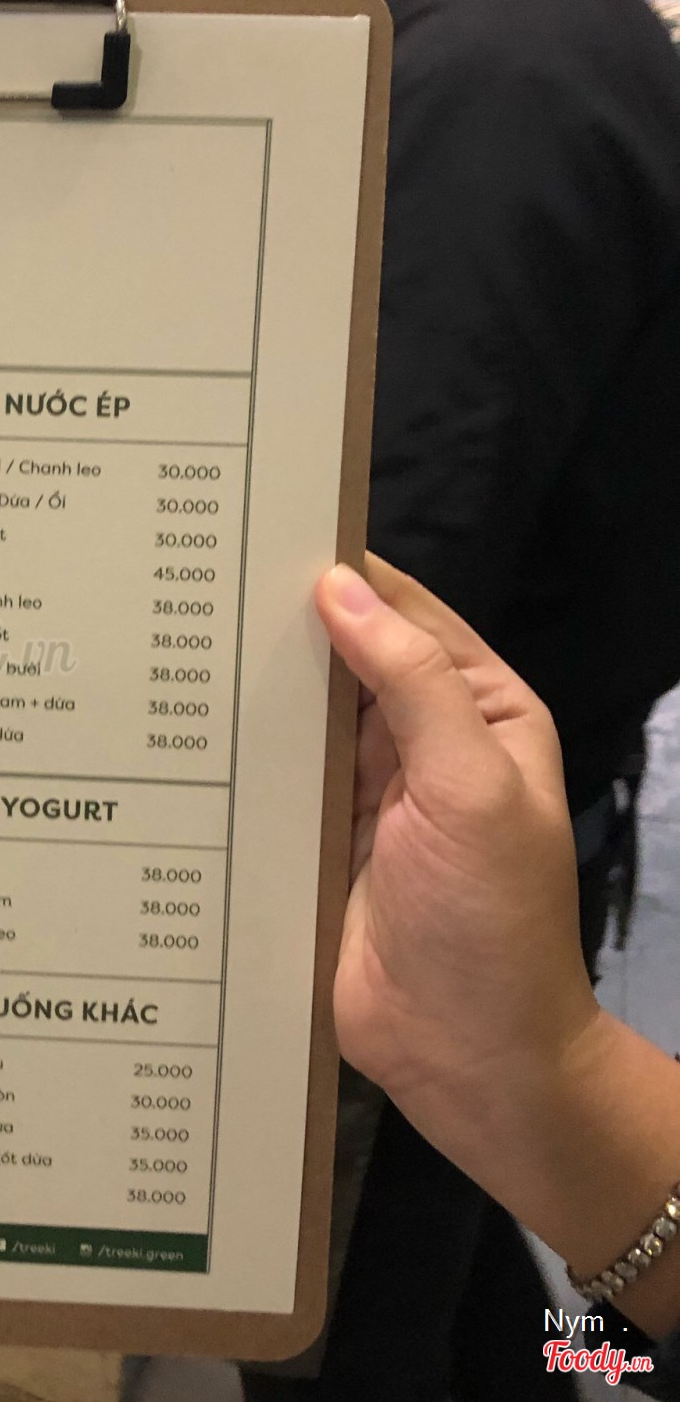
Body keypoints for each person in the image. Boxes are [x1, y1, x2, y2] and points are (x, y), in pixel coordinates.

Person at [172, 0, 680, 1394]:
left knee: (354, 1337)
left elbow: (359, 585)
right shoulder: (469, 20)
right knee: (452, 1285)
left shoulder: (489, 71)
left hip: (403, 862)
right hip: (457, 863)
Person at [314, 556, 680, 1390]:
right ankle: (575, 1360)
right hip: (478, 870)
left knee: (373, 1314)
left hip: (434, 863)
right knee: (464, 1254)